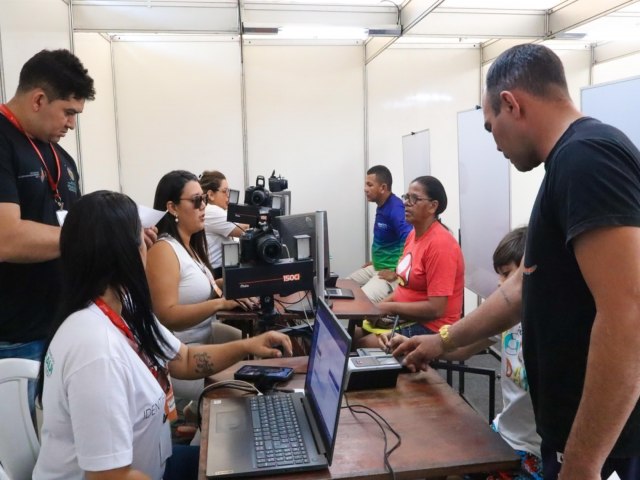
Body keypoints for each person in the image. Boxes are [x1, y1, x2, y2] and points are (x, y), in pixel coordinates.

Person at [391, 44, 640, 480]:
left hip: (603, 447)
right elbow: (521, 289)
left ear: (511, 103)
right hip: (571, 437)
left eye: (490, 127)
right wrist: (441, 342)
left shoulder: (588, 158)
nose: (494, 143)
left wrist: (582, 463)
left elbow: (629, 314)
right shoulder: (566, 164)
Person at [33, 190, 292, 480]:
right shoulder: (95, 350)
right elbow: (111, 478)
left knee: (250, 460)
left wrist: (249, 345)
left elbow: (184, 359)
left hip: (156, 463)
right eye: (141, 236)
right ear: (126, 251)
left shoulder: (125, 308)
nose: (150, 241)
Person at [384, 226, 543, 479]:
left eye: (508, 275)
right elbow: (458, 349)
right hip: (502, 435)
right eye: (499, 276)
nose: (501, 284)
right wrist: (419, 345)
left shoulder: (553, 330)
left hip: (534, 455)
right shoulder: (503, 319)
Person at [0, 49, 95, 365]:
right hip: (14, 336)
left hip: (60, 325)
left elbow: (73, 222)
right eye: (68, 112)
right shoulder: (4, 141)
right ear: (38, 100)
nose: (71, 124)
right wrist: (91, 235)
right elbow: (7, 238)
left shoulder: (61, 157)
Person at [146, 170, 250, 404]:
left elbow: (202, 289)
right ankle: (195, 419)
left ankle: (196, 420)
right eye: (196, 201)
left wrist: (239, 284)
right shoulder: (164, 250)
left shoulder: (189, 246)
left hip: (201, 343)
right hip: (182, 359)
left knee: (255, 357)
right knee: (247, 391)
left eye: (203, 199)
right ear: (172, 207)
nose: (203, 206)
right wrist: (220, 303)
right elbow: (167, 315)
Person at [356, 175, 464, 348]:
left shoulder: (441, 244)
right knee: (349, 336)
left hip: (433, 328)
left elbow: (436, 309)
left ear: (433, 206)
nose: (406, 203)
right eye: (407, 197)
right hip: (407, 317)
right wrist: (380, 306)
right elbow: (403, 289)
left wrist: (388, 308)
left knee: (360, 345)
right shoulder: (413, 235)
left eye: (414, 199)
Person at [347, 165, 412, 302]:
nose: (365, 189)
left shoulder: (396, 208)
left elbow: (410, 240)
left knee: (360, 301)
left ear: (382, 188)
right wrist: (376, 260)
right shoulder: (382, 205)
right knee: (343, 287)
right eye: (365, 184)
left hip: (389, 272)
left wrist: (396, 271)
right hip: (378, 266)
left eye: (370, 185)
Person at [199, 170, 249, 278]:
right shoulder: (211, 210)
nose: (228, 196)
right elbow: (243, 229)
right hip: (216, 272)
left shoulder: (218, 210)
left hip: (218, 269)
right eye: (224, 191)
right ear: (211, 195)